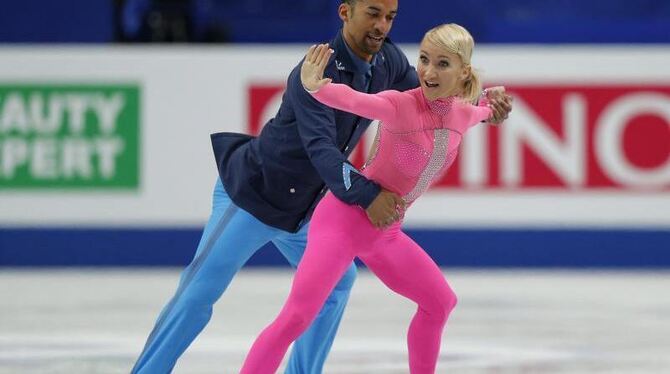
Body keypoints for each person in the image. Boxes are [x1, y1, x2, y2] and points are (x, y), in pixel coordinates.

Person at [132, 0, 513, 371]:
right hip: (255, 194)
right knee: (199, 292)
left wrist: (480, 102)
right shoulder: (316, 69)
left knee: (335, 286)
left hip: (307, 208)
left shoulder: (388, 60)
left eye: (390, 17)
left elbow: (431, 101)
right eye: (372, 14)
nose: (382, 25)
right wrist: (369, 195)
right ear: (345, 12)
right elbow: (322, 151)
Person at [240, 23, 499, 373]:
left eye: (442, 63)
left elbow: (482, 111)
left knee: (440, 302)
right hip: (343, 220)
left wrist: (492, 108)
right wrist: (317, 87)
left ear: (463, 71)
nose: (428, 71)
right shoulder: (401, 105)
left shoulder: (462, 115)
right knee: (297, 317)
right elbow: (355, 100)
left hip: (385, 232)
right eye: (423, 59)